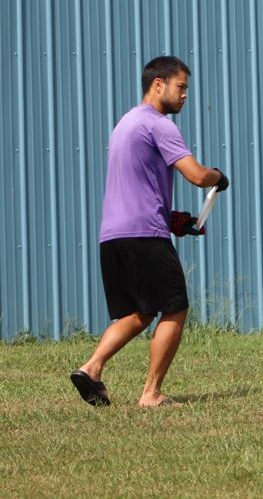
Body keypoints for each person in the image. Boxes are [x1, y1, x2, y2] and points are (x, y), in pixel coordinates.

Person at [70, 56, 229, 408]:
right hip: (144, 234)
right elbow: (197, 175)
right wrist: (219, 177)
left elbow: (137, 187)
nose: (185, 95)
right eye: (181, 87)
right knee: (175, 307)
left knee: (139, 314)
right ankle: (151, 393)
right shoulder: (159, 125)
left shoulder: (125, 124)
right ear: (159, 85)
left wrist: (174, 220)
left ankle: (91, 369)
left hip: (113, 235)